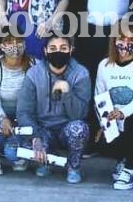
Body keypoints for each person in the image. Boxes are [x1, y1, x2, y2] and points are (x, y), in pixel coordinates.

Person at [16, 35, 91, 184]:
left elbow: (80, 114)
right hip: (43, 128)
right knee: (14, 149)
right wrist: (35, 137)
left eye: (63, 48)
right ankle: (46, 160)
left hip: (67, 129)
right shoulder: (33, 73)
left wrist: (67, 93)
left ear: (70, 51)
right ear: (45, 51)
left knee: (79, 129)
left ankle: (73, 166)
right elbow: (24, 111)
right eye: (53, 48)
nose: (58, 52)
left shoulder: (81, 73)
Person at [93, 20, 133, 190]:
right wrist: (103, 122)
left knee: (132, 122)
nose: (125, 44)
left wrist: (123, 113)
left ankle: (128, 170)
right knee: (100, 141)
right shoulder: (104, 65)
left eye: (131, 40)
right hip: (114, 124)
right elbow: (100, 96)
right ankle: (121, 159)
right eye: (121, 39)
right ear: (114, 40)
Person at [0, 27, 35, 175]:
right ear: (1, 46)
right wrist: (3, 118)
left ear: (25, 43)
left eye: (18, 41)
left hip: (25, 115)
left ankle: (14, 148)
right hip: (0, 114)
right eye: (9, 42)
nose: (15, 46)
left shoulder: (34, 65)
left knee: (13, 154)